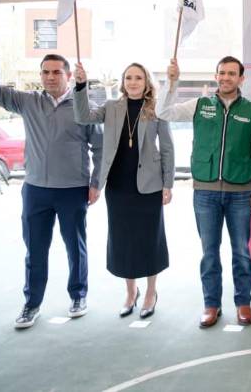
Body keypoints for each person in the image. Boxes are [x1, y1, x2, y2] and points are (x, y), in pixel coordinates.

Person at [0, 38, 102, 330]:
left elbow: (100, 147)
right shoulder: (28, 102)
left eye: (57, 72)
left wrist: (96, 183)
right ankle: (31, 305)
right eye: (46, 72)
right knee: (35, 250)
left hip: (72, 190)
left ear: (69, 76)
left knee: (75, 247)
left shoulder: (84, 107)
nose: (50, 77)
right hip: (36, 190)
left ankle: (78, 296)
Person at [157, 56, 251, 328]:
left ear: (242, 78)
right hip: (204, 192)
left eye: (232, 74)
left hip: (241, 192)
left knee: (241, 251)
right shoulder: (200, 105)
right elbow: (163, 112)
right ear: (216, 76)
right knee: (209, 252)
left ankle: (243, 302)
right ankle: (211, 304)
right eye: (222, 73)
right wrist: (171, 83)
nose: (226, 78)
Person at [72, 62, 174, 319]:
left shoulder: (157, 110)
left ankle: (151, 291)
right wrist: (81, 86)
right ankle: (131, 292)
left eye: (138, 77)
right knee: (123, 239)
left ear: (146, 81)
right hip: (118, 186)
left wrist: (168, 183)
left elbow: (168, 148)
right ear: (123, 82)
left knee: (150, 239)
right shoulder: (112, 108)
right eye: (128, 77)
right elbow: (83, 116)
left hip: (148, 186)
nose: (133, 82)